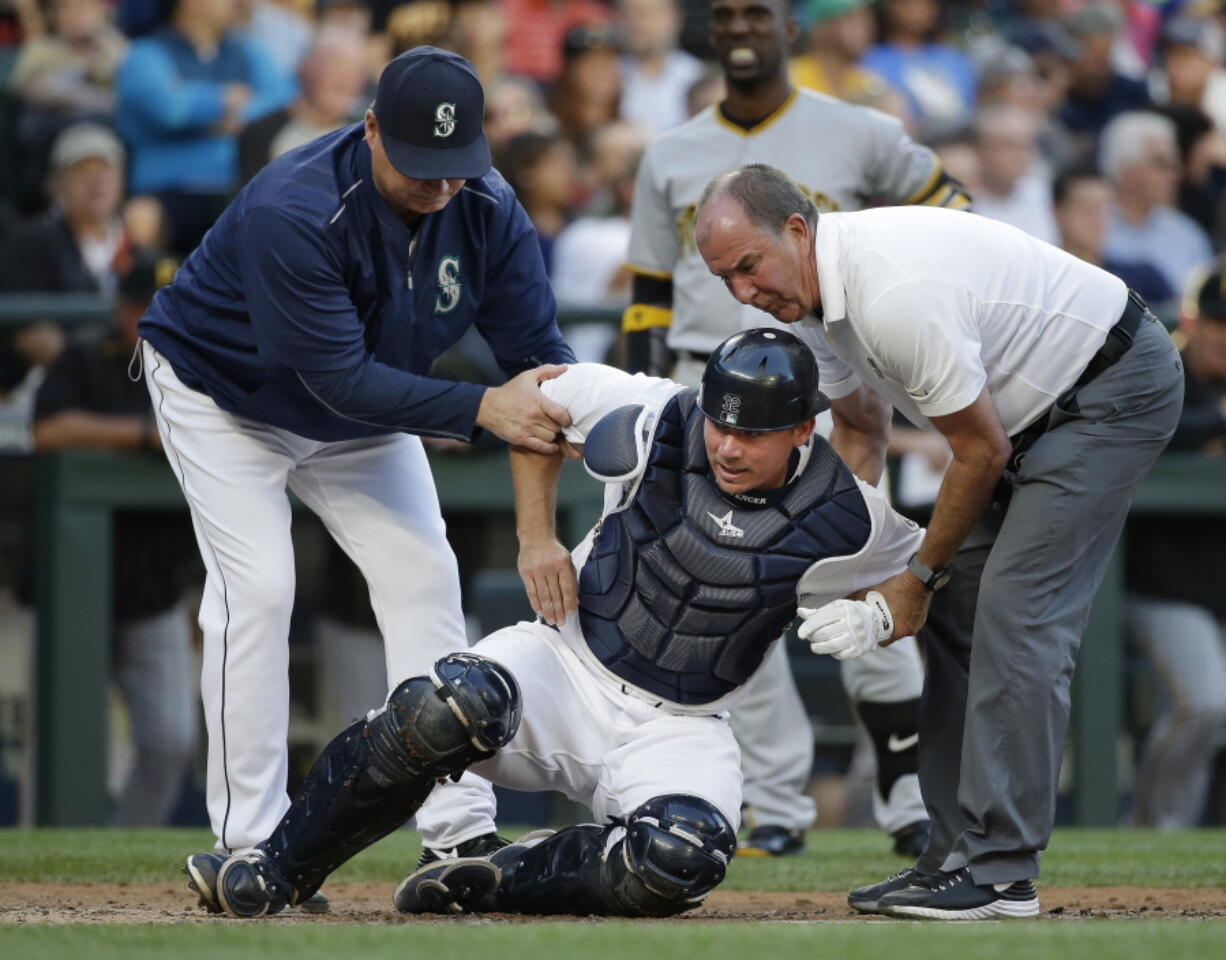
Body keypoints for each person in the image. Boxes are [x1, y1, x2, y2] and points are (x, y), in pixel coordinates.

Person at [182, 328, 929, 919]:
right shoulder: (657, 415)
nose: (728, 446)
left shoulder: (847, 517)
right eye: (721, 424)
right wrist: (535, 536)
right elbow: (531, 400)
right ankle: (275, 868)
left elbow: (934, 573)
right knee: (444, 705)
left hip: (683, 723)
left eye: (754, 434)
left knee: (682, 859)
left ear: (802, 429)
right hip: (566, 665)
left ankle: (491, 881)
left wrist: (877, 615)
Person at [136, 46, 576, 893]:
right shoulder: (293, 207)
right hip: (223, 395)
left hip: (363, 407)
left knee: (424, 571)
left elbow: (538, 361)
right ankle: (252, 843)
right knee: (258, 588)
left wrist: (543, 498)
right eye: (421, 166)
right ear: (370, 129)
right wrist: (483, 408)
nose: (440, 185)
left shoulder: (487, 204)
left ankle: (456, 835)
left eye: (457, 166)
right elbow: (336, 379)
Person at [695, 163, 1184, 919]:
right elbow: (861, 426)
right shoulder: (810, 305)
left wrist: (912, 579)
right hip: (1029, 417)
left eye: (748, 266)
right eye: (725, 278)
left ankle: (1000, 873)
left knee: (1017, 612)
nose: (743, 293)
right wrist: (855, 567)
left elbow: (979, 452)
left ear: (796, 229)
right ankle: (952, 855)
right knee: (959, 608)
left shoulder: (892, 293)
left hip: (1110, 388)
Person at [623, 0, 969, 859]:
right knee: (727, 594)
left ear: (791, 26)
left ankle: (907, 797)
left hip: (827, 383)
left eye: (760, 13)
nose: (742, 28)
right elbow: (647, 301)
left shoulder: (857, 129)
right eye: (729, 14)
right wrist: (644, 402)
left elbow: (949, 208)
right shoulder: (669, 153)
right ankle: (777, 803)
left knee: (860, 570)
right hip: (706, 387)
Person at [32, 250, 200, 826]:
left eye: (171, 307)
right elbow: (47, 430)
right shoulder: (85, 356)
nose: (158, 318)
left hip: (156, 585)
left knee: (172, 739)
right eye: (147, 307)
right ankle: (53, 849)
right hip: (71, 588)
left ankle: (127, 849)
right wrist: (138, 434)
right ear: (124, 310)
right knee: (61, 737)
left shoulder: (199, 366)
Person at [1125, 259, 1226, 829]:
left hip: (1214, 584)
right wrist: (1215, 430)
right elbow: (1148, 423)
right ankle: (1153, 829)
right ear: (1189, 319)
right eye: (1215, 323)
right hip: (1156, 582)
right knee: (1206, 700)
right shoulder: (1163, 367)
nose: (1224, 337)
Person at [115, 0, 294, 255]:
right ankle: (141, 294)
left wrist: (222, 112)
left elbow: (283, 98)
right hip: (168, 189)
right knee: (141, 217)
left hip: (236, 188)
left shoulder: (246, 50)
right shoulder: (146, 52)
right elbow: (168, 110)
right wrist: (225, 98)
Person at [1100, 110, 1212, 298]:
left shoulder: (1186, 234)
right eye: (1161, 164)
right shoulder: (1092, 225)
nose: (1174, 175)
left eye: (1174, 165)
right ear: (1124, 168)